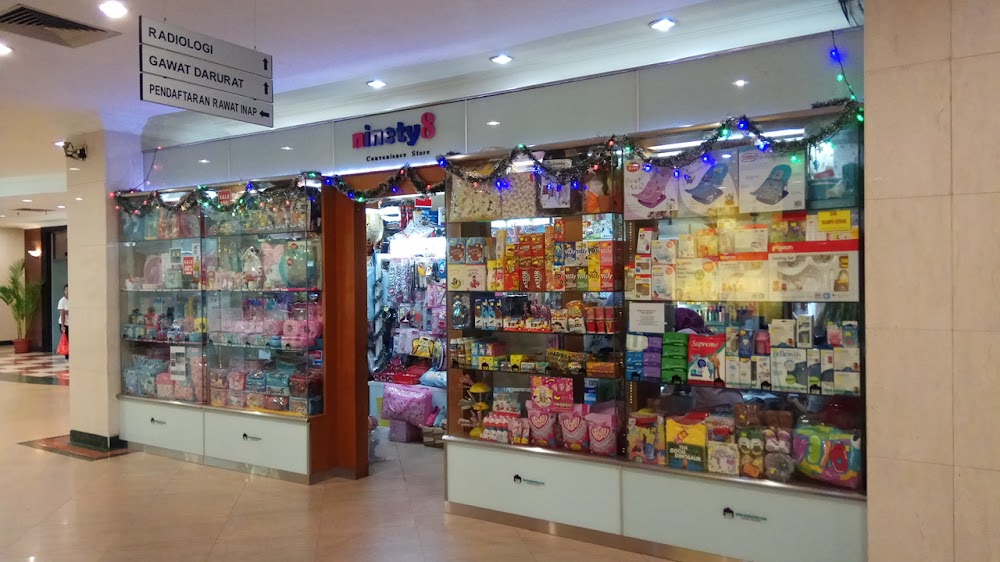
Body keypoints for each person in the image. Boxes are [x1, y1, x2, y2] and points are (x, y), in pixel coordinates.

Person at [57, 285, 68, 360]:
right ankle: (67, 355)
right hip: (64, 323)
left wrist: (67, 312)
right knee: (66, 340)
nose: (67, 292)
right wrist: (63, 326)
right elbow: (62, 314)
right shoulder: (62, 301)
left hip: (72, 324)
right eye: (66, 290)